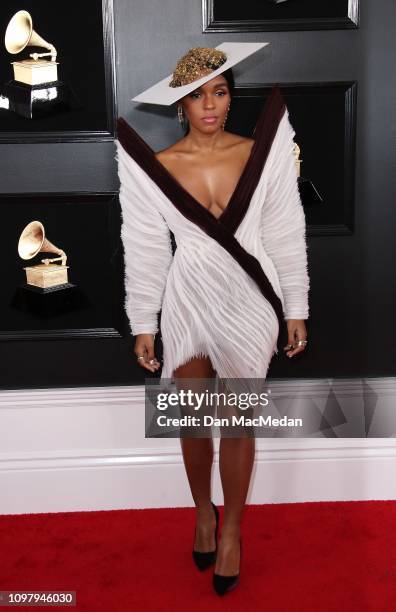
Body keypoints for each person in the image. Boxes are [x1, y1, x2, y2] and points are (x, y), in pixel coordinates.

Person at [116, 43, 310, 596]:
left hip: (250, 299)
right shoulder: (158, 168)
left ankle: (232, 532)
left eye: (220, 92)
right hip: (187, 297)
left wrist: (296, 306)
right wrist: (143, 321)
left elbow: (284, 232)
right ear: (181, 103)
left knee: (238, 420)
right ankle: (203, 511)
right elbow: (146, 246)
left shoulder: (261, 154)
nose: (210, 106)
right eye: (199, 95)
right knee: (193, 417)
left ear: (231, 98)